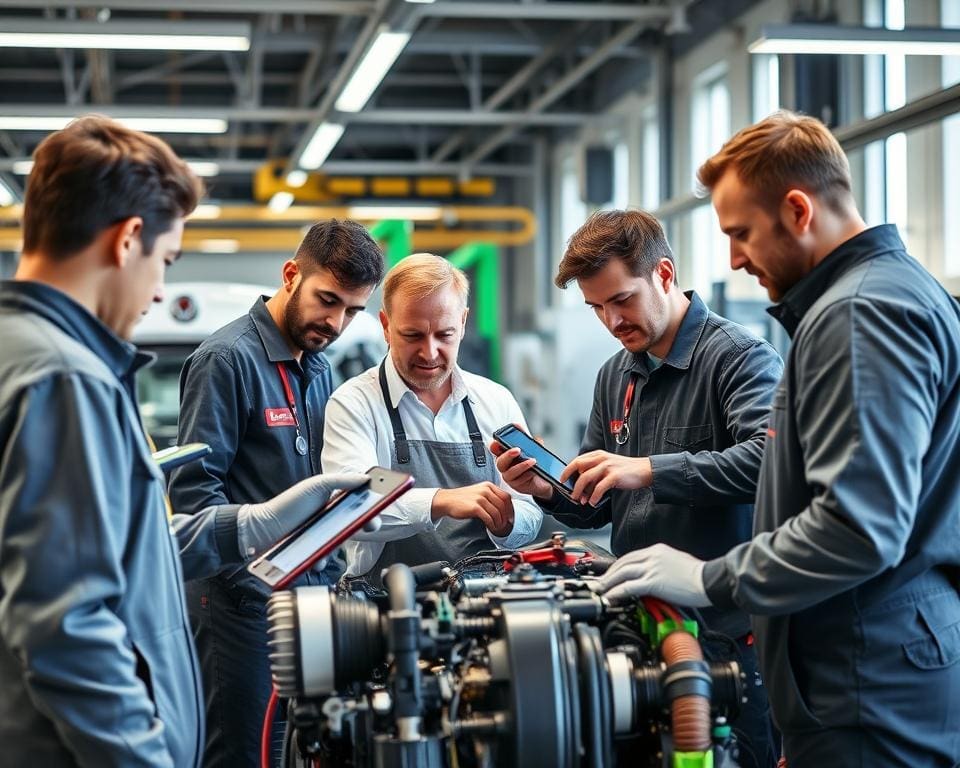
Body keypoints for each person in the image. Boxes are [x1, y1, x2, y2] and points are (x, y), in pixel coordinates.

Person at [0, 116, 370, 767]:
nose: (161, 289)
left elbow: (114, 547)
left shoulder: (24, 352)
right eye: (166, 260)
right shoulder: (63, 377)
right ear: (128, 239)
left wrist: (248, 525)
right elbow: (67, 627)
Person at [598, 111, 960, 766]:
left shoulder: (858, 314)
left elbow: (860, 527)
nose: (735, 260)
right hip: (867, 671)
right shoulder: (894, 294)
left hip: (864, 679)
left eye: (740, 234)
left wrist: (711, 577)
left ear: (797, 210)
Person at [492, 209, 783, 768]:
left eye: (621, 299)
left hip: (726, 631)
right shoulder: (615, 375)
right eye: (596, 307)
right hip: (641, 620)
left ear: (665, 274)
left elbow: (769, 462)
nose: (610, 320)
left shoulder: (739, 358)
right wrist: (550, 491)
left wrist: (649, 468)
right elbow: (597, 505)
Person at [167, 219, 385, 766]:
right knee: (242, 752)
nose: (335, 322)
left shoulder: (321, 367)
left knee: (302, 748)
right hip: (239, 609)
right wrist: (256, 581)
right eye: (327, 300)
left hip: (307, 603)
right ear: (291, 275)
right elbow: (194, 496)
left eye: (353, 311)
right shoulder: (227, 360)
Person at [322, 253, 543, 582]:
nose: (429, 352)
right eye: (413, 336)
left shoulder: (496, 402)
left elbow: (529, 508)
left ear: (464, 323)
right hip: (385, 607)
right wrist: (442, 501)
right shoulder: (355, 404)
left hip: (486, 601)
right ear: (385, 325)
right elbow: (352, 505)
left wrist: (508, 522)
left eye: (445, 335)